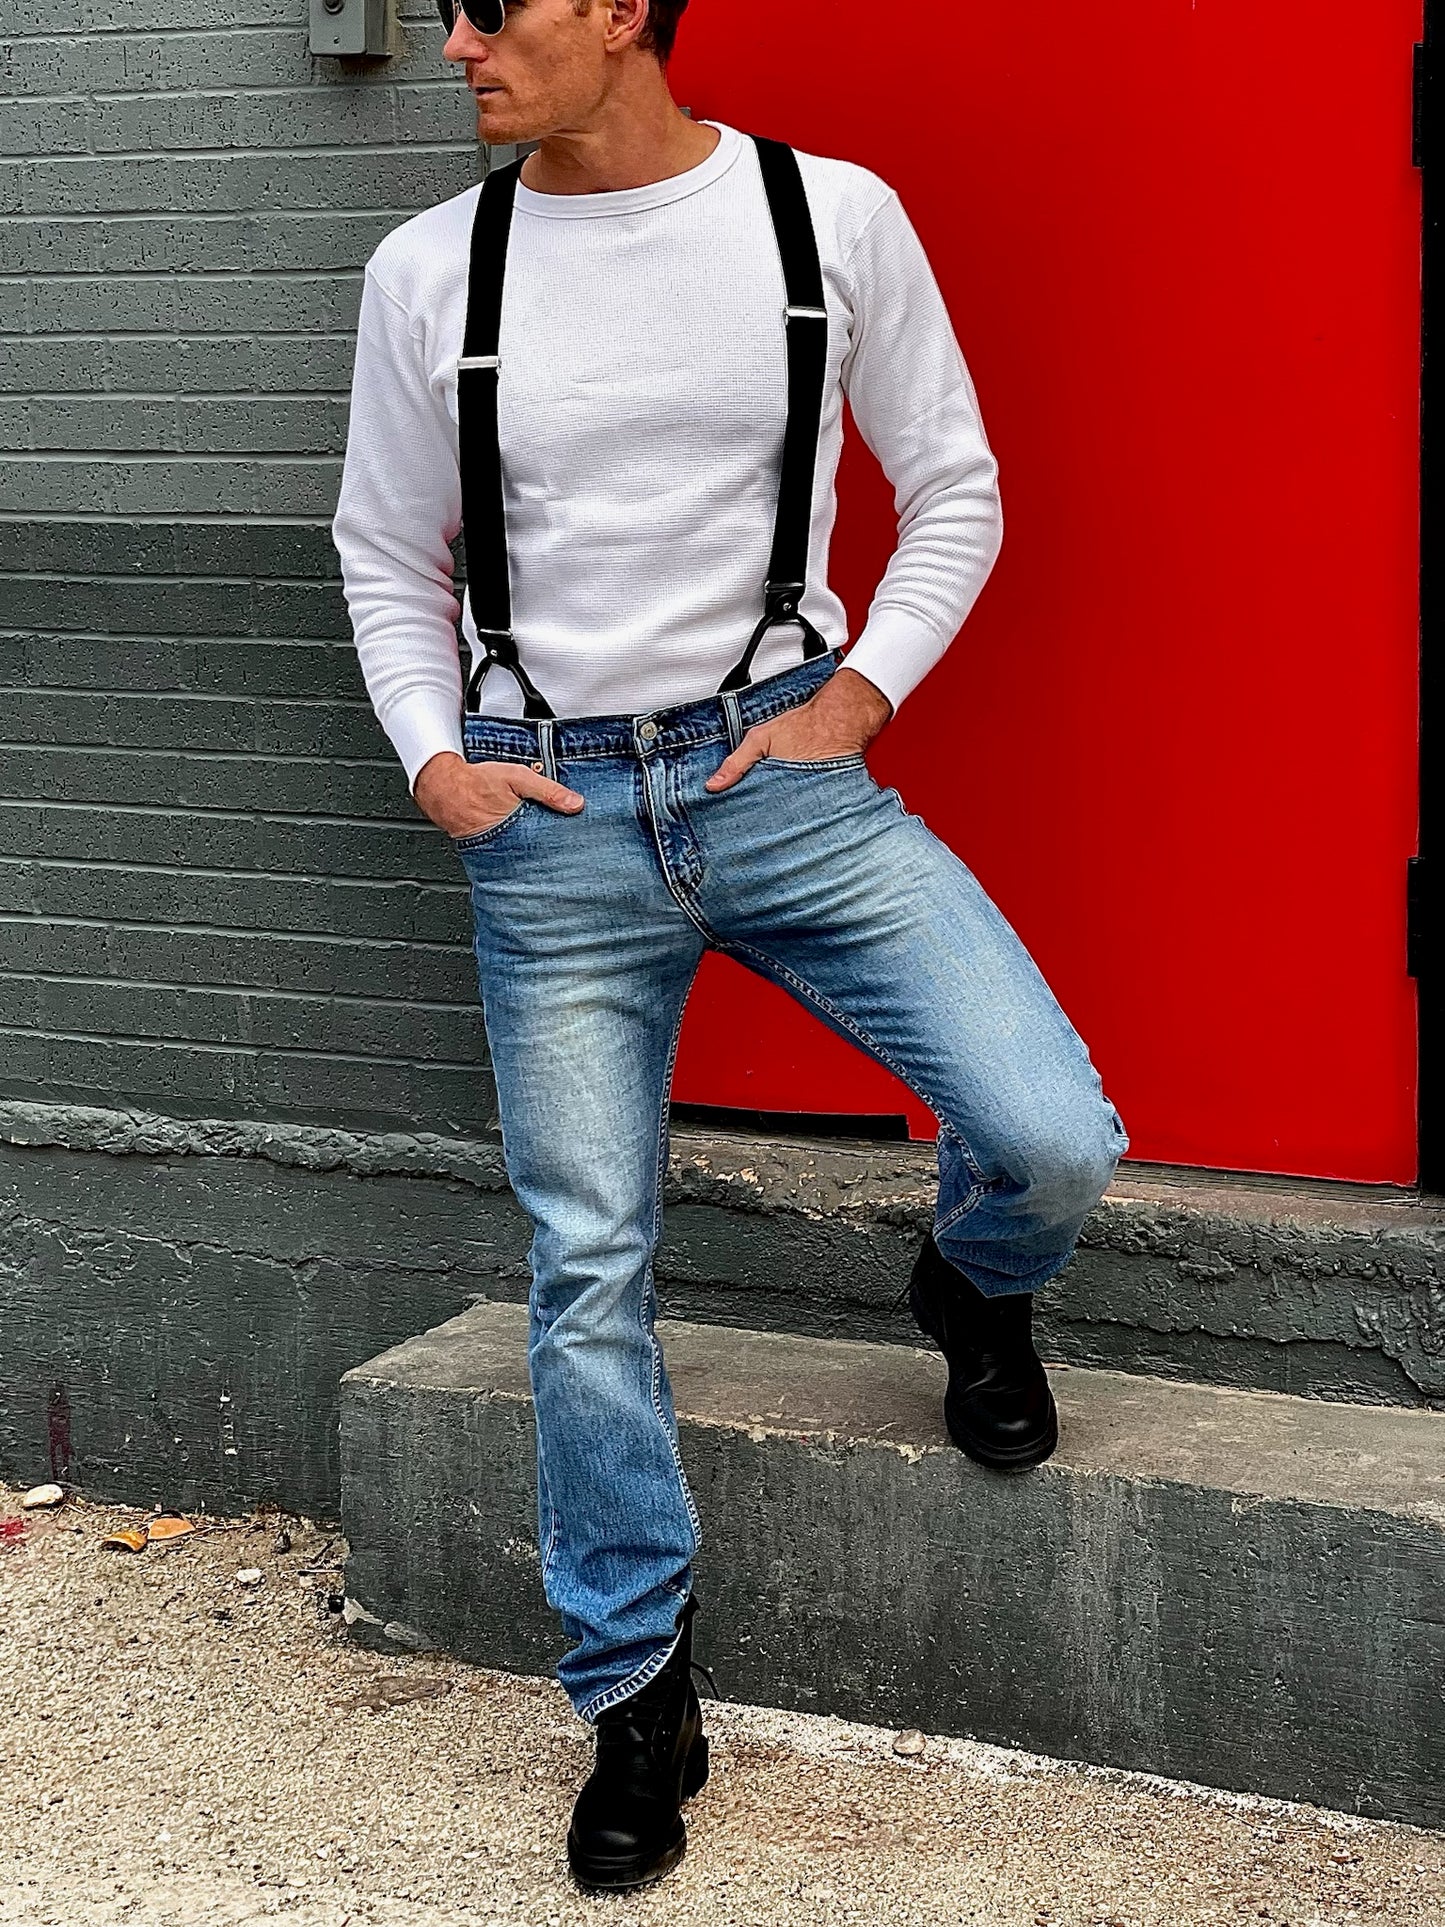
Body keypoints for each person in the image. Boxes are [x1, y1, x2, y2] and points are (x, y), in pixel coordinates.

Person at [332, 0, 1129, 1895]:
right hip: (548, 814)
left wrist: (862, 694)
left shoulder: (824, 217)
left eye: (491, 6)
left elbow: (957, 485)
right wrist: (435, 760)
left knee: (1048, 1132)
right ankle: (635, 1693)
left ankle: (971, 1286)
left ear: (619, 11)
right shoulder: (431, 265)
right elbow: (388, 549)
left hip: (776, 774)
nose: (454, 44)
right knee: (587, 1260)